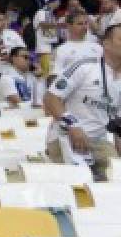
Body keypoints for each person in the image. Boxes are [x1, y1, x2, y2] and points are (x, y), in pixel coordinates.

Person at [43, 23, 121, 182]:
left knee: (116, 179)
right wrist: (72, 125)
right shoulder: (84, 67)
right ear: (106, 44)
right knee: (80, 183)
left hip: (99, 141)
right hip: (66, 137)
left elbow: (117, 124)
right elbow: (51, 98)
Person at [53, 11, 101, 76]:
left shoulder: (97, 47)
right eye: (80, 24)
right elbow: (55, 76)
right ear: (69, 26)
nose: (84, 27)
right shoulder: (61, 50)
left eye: (86, 23)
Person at [33, 0, 61, 77]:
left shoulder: (49, 13)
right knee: (46, 76)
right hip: (44, 49)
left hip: (51, 48)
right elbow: (43, 24)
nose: (57, 2)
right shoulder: (41, 12)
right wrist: (60, 25)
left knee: (51, 74)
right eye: (54, 0)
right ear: (47, 1)